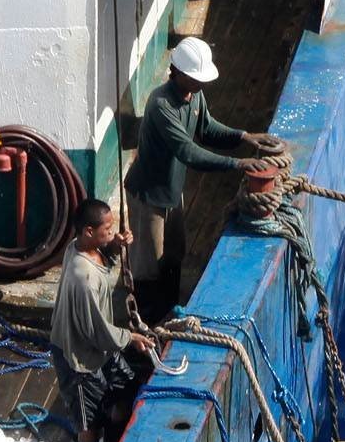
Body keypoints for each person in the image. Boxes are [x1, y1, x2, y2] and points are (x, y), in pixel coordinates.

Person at [122, 36, 285, 325]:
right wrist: (238, 163)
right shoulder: (161, 105)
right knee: (148, 266)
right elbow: (188, 151)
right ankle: (147, 327)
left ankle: (170, 311)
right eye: (196, 78)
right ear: (179, 73)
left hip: (171, 192)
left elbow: (207, 129)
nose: (202, 84)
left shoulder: (193, 95)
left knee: (174, 255)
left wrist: (244, 136)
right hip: (149, 197)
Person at [49, 198, 161, 442]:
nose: (113, 231)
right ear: (89, 231)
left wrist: (115, 244)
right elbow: (95, 331)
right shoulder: (84, 279)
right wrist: (131, 338)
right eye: (108, 229)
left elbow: (102, 255)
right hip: (78, 358)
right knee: (89, 424)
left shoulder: (77, 247)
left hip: (101, 349)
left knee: (127, 388)